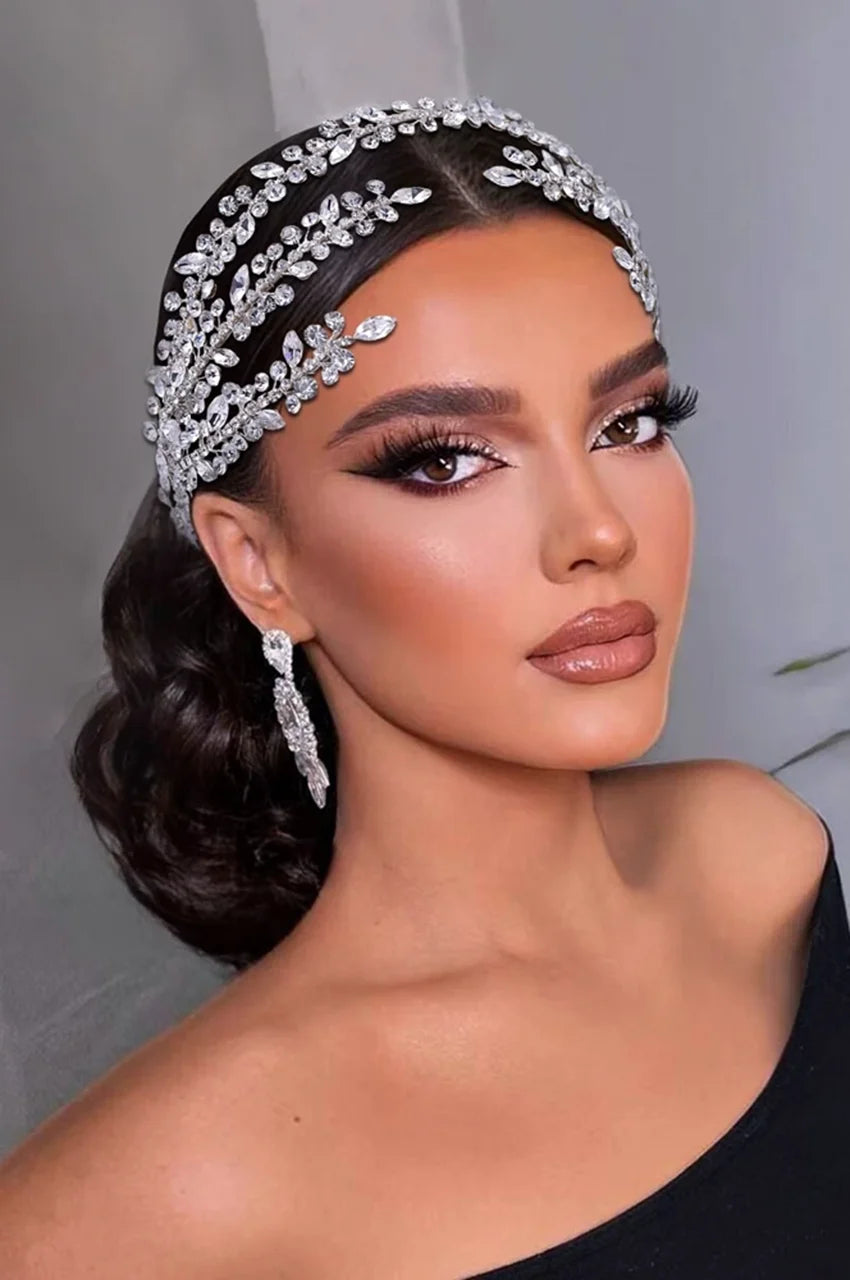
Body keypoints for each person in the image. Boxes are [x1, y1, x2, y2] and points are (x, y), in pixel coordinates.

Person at [0, 94, 846, 1279]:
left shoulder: (756, 861)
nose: (598, 530)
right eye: (443, 460)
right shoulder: (154, 1197)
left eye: (629, 422)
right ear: (258, 563)